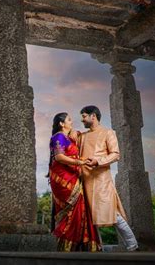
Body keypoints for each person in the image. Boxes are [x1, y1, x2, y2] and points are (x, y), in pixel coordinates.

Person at [79, 105, 138, 251]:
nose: (82, 120)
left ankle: (133, 245)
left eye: (84, 116)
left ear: (93, 116)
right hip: (84, 180)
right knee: (88, 216)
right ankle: (96, 247)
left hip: (101, 180)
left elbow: (116, 154)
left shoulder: (108, 132)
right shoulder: (82, 136)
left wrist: (98, 161)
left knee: (112, 212)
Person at [48, 112, 101, 252]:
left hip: (74, 175)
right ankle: (66, 246)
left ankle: (78, 245)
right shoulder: (58, 136)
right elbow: (59, 157)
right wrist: (79, 162)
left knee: (81, 208)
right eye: (69, 120)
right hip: (63, 178)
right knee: (72, 209)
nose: (72, 122)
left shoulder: (69, 137)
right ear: (61, 123)